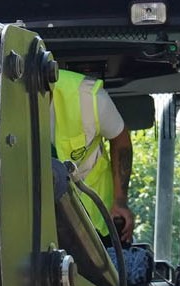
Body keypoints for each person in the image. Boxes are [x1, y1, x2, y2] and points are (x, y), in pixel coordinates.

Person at [52, 67, 134, 246]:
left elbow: (121, 140)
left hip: (95, 218)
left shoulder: (88, 98)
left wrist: (120, 201)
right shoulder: (4, 101)